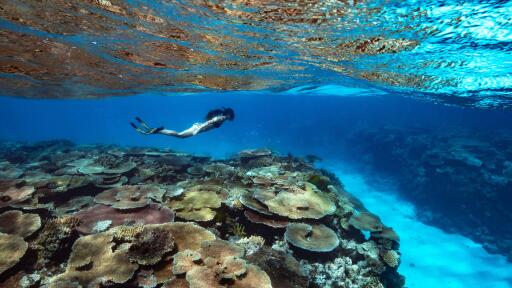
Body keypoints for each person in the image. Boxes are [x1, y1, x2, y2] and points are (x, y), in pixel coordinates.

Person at [130, 107, 235, 138]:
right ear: (229, 114)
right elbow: (211, 121)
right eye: (231, 116)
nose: (231, 118)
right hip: (199, 127)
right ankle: (159, 130)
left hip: (198, 126)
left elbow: (211, 121)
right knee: (180, 135)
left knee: (179, 135)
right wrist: (198, 130)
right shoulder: (222, 118)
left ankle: (159, 131)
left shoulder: (222, 117)